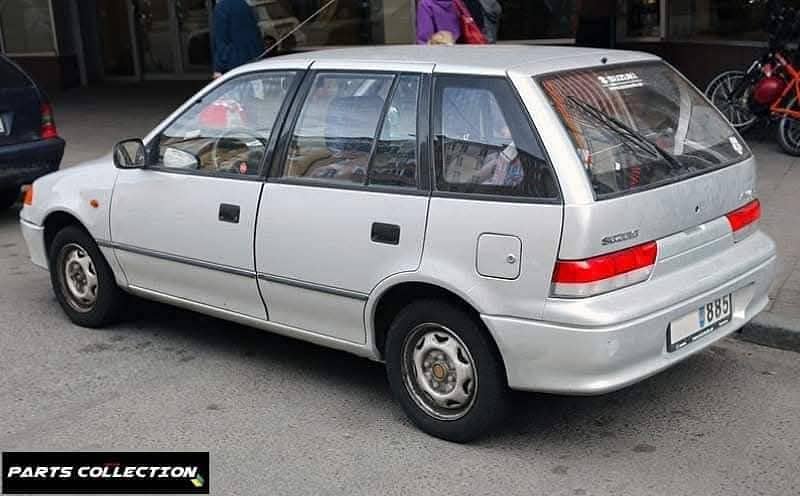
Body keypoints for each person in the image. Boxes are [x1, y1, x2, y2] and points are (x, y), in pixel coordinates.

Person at [212, 0, 264, 78]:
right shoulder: (245, 5)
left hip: (235, 65)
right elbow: (256, 34)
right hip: (253, 60)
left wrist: (218, 68)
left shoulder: (221, 7)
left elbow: (221, 40)